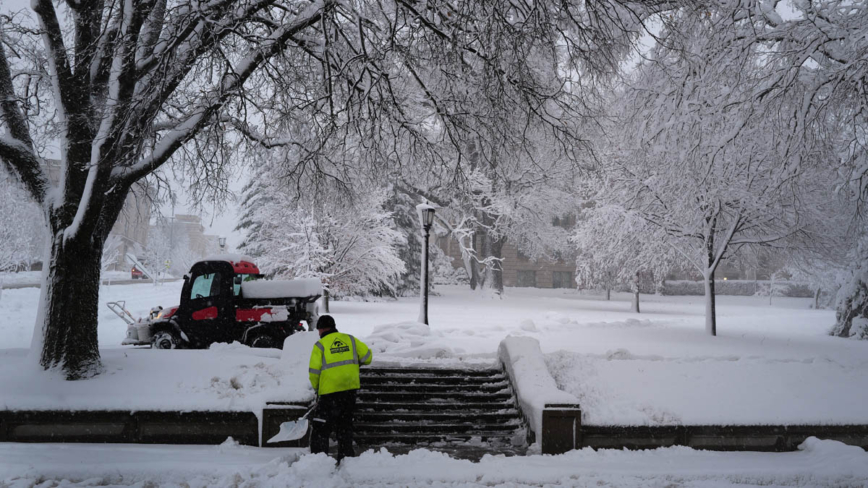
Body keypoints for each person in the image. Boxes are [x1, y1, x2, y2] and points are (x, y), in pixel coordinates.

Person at [308, 314, 372, 462]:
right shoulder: (350, 339)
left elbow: (314, 372)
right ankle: (346, 458)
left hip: (329, 393)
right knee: (345, 426)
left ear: (322, 329)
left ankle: (319, 460)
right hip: (349, 391)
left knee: (321, 427)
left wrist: (317, 388)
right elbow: (367, 357)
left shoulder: (321, 345)